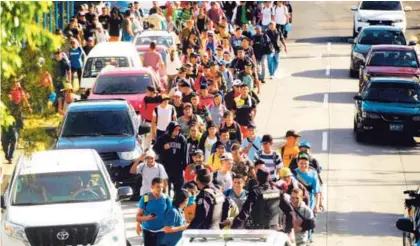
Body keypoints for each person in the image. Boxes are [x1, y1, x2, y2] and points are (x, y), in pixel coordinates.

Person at [231, 168, 293, 232]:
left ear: (258, 177)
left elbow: (246, 211)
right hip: (274, 230)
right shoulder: (277, 191)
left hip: (258, 231)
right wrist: (288, 229)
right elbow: (289, 211)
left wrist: (234, 228)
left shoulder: (256, 191)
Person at [153, 121, 187, 197]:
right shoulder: (163, 138)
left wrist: (184, 166)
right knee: (165, 188)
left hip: (177, 167)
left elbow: (184, 153)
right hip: (166, 166)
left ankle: (177, 203)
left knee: (178, 188)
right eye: (175, 130)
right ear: (171, 129)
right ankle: (166, 203)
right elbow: (154, 149)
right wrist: (163, 148)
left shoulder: (181, 139)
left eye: (178, 130)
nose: (177, 131)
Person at [136, 178, 172, 246]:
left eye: (161, 187)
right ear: (152, 187)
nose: (160, 189)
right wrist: (139, 224)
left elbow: (171, 215)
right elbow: (139, 215)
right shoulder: (146, 197)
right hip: (147, 231)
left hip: (162, 231)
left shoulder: (166, 198)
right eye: (158, 186)